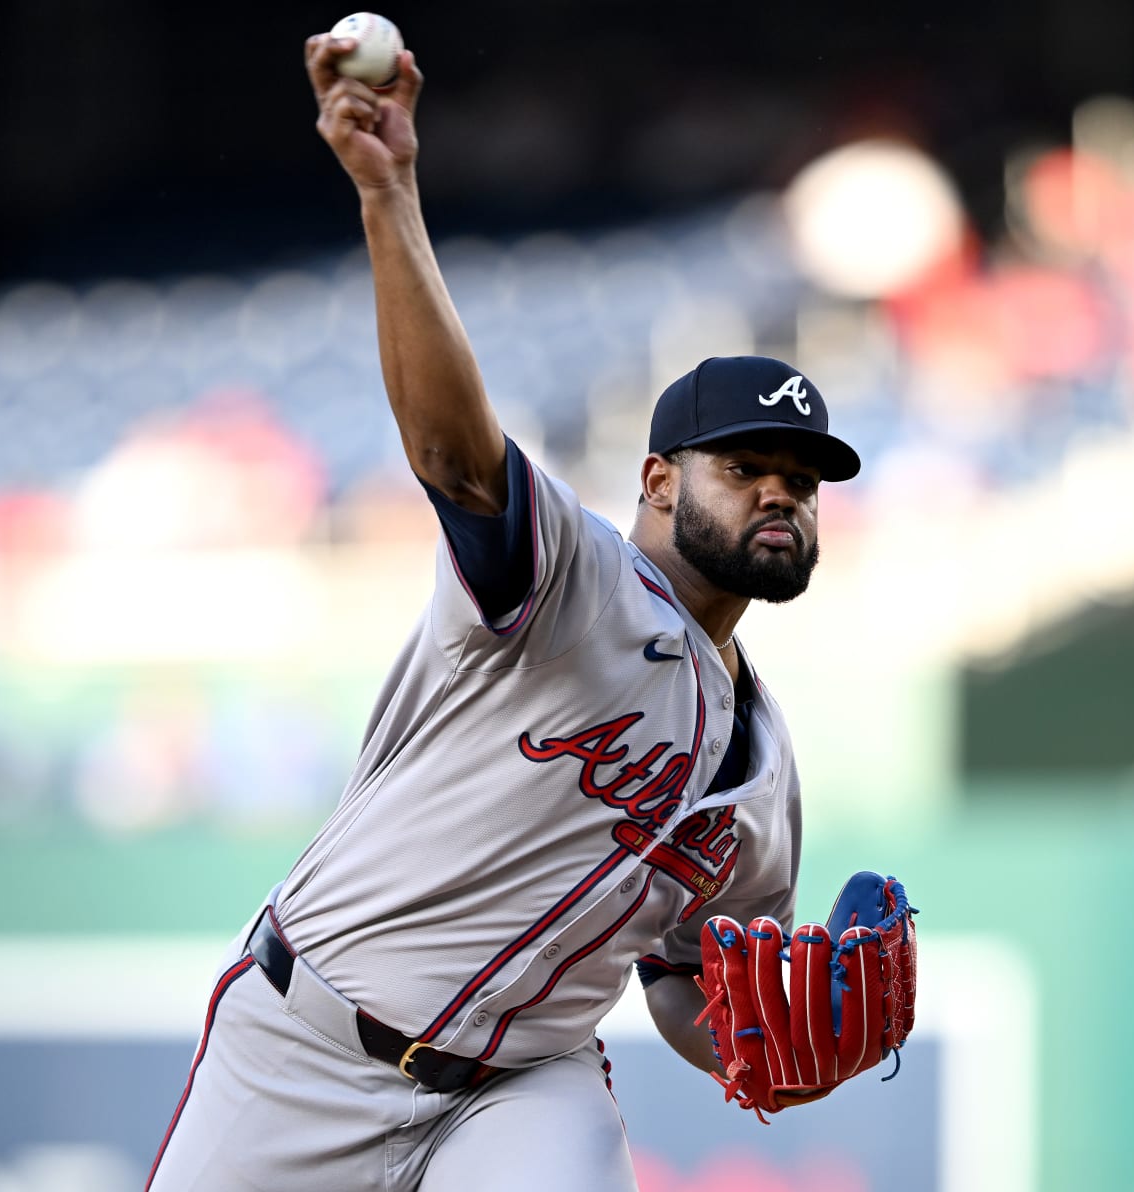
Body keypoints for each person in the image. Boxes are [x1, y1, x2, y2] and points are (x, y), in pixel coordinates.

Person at [145, 33, 863, 1192]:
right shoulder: (565, 576)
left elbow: (681, 976)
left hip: (528, 1089)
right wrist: (390, 196)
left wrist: (756, 1047)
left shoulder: (763, 770)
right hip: (312, 1047)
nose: (781, 488)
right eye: (748, 465)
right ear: (662, 480)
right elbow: (451, 450)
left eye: (803, 476)